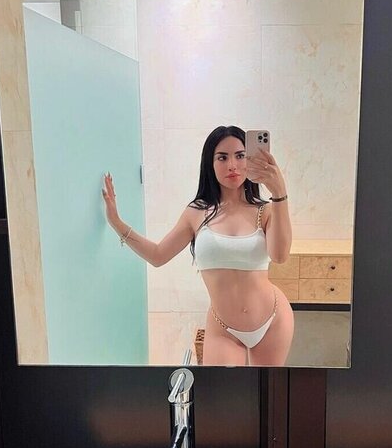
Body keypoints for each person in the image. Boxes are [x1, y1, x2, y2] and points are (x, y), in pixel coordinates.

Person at [102, 125, 294, 366]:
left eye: (240, 155)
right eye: (222, 157)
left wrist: (279, 192)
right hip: (224, 329)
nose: (232, 165)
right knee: (222, 390)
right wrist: (117, 223)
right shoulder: (196, 213)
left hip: (273, 319)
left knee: (267, 389)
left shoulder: (265, 211)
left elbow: (279, 256)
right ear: (210, 164)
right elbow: (158, 255)